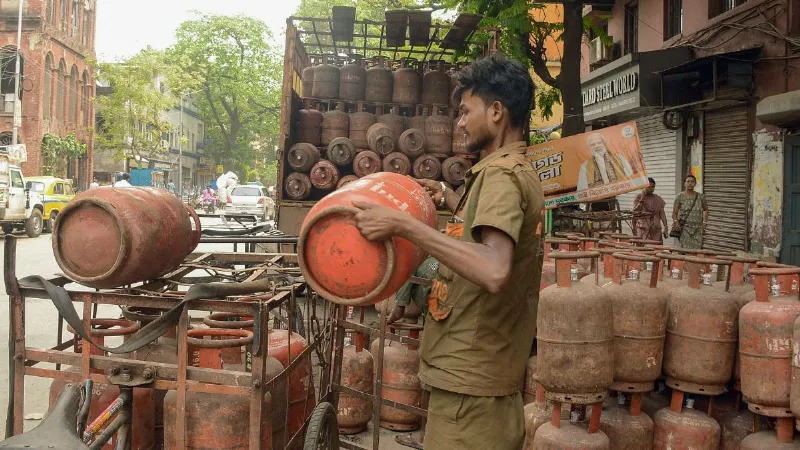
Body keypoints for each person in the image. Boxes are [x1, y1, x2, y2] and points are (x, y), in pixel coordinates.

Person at [352, 53, 544, 450]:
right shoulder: (509, 170)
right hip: (479, 384)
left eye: (464, 111)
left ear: (496, 112)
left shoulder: (501, 175)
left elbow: (494, 269)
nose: (458, 123)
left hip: (471, 395)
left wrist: (405, 225)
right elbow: (472, 253)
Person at [389, 256, 438, 450]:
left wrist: (390, 318)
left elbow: (399, 311)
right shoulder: (439, 259)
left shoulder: (412, 263)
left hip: (438, 321)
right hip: (452, 318)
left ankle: (424, 436)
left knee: (428, 377)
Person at [672, 174, 708, 249]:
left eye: (692, 181)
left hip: (698, 229)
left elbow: (706, 210)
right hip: (685, 229)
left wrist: (704, 223)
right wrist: (676, 222)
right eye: (688, 181)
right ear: (684, 183)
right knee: (685, 250)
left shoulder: (701, 197)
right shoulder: (679, 196)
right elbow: (674, 213)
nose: (690, 183)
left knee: (696, 250)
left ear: (695, 183)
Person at [632, 177, 669, 243]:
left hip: (656, 228)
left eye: (653, 187)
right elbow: (634, 212)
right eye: (649, 187)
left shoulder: (658, 198)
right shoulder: (638, 197)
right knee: (643, 248)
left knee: (656, 247)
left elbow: (662, 214)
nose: (651, 189)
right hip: (643, 227)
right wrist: (640, 202)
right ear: (644, 187)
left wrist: (665, 227)